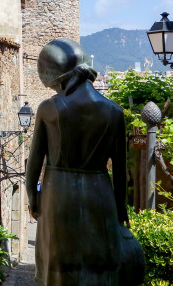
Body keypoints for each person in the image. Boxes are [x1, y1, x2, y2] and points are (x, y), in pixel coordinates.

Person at [25, 38, 144, 285]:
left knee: (59, 269)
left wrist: (33, 199)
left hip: (59, 194)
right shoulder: (114, 111)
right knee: (99, 269)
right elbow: (121, 172)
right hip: (100, 195)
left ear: (59, 77)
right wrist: (120, 213)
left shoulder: (49, 108)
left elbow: (34, 164)